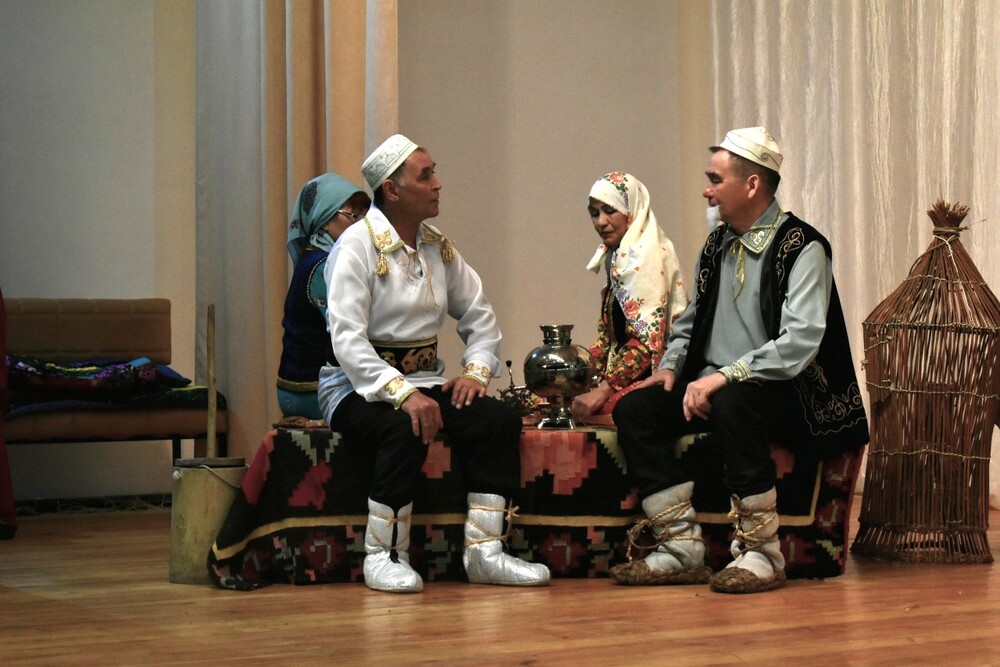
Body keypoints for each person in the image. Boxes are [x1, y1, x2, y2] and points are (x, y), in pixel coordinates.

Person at [609, 127, 869, 594]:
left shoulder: (803, 247)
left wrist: (726, 378)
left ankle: (762, 553)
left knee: (735, 403)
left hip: (784, 389)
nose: (706, 190)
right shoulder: (716, 245)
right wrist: (670, 367)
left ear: (751, 185)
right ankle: (680, 547)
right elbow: (691, 322)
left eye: (715, 179)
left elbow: (801, 341)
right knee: (636, 411)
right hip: (714, 384)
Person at [317, 134, 550, 593]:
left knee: (496, 420)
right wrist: (402, 394)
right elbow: (347, 340)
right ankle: (384, 554)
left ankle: (485, 553)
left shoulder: (437, 248)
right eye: (426, 176)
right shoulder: (355, 248)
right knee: (401, 425)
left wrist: (476, 372)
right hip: (352, 386)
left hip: (424, 381)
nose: (438, 184)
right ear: (392, 190)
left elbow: (479, 316)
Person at [570, 172, 687, 424]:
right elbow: (607, 337)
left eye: (610, 211)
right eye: (594, 213)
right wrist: (575, 373)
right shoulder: (619, 257)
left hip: (654, 375)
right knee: (547, 401)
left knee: (605, 411)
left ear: (632, 210)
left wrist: (603, 390)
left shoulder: (648, 257)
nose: (601, 222)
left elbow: (647, 344)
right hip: (620, 375)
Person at [277, 173, 371, 420]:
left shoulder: (314, 259)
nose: (361, 224)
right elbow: (348, 330)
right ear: (324, 219)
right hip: (312, 390)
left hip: (298, 386)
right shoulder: (324, 266)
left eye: (364, 215)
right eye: (353, 215)